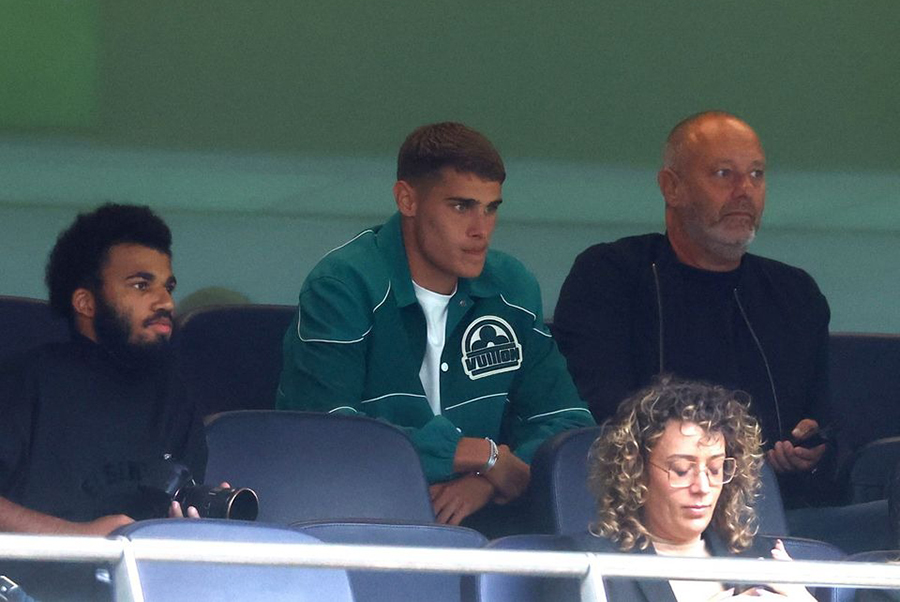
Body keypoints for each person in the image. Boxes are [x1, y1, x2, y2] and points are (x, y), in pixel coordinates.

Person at [277, 122, 594, 528]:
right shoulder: (342, 285)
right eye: (461, 206)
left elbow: (569, 423)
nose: (481, 229)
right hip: (359, 519)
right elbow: (330, 437)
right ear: (407, 199)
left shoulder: (512, 285)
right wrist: (480, 454)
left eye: (491, 207)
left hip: (491, 527)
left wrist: (485, 481)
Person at [553, 111, 831, 504]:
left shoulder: (795, 293)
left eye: (756, 175)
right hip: (649, 507)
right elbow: (602, 411)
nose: (744, 190)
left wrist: (811, 448)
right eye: (723, 174)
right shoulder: (612, 275)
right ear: (672, 187)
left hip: (783, 510)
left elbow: (828, 422)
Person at [0, 204, 207, 599]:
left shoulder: (175, 399)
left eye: (168, 286)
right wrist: (83, 542)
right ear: (86, 303)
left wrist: (193, 521)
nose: (165, 302)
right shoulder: (23, 383)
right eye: (141, 285)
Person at [567, 376, 816, 601]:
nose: (703, 487)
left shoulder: (760, 557)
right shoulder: (588, 564)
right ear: (636, 471)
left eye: (716, 469)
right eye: (681, 470)